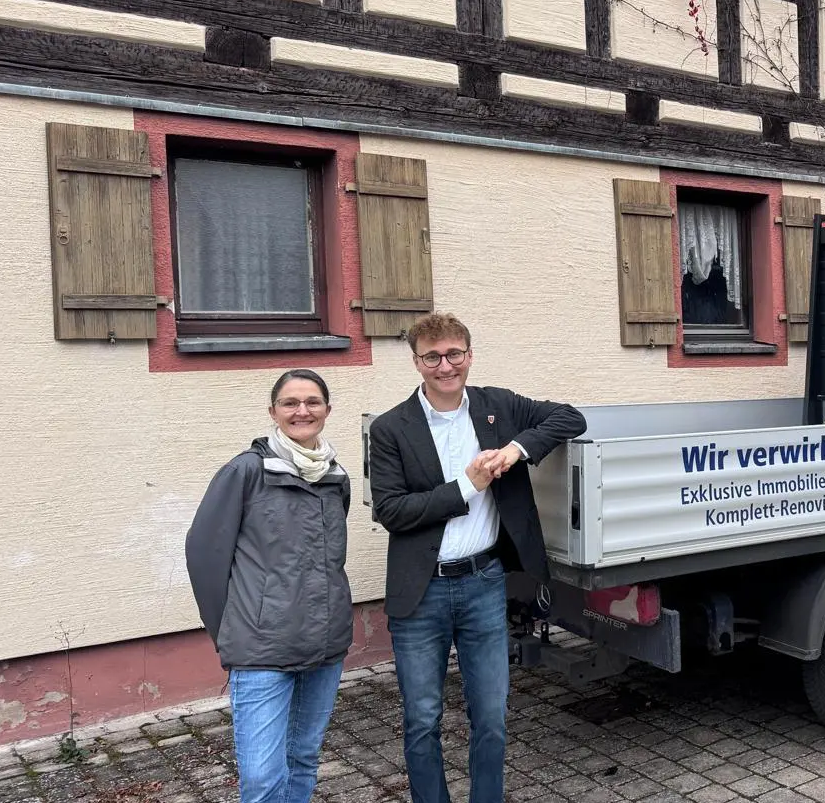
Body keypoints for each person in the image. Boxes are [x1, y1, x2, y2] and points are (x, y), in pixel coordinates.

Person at [368, 313, 586, 803]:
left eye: (454, 354)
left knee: (490, 715)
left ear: (468, 355)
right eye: (432, 356)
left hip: (484, 583)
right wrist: (470, 484)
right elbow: (391, 510)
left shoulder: (498, 407)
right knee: (422, 719)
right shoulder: (390, 429)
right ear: (416, 362)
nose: (445, 366)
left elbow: (571, 417)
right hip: (421, 591)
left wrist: (517, 448)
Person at [185, 369, 353, 803]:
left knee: (303, 760)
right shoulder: (246, 472)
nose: (302, 411)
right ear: (273, 412)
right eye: (290, 403)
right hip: (261, 649)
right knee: (261, 779)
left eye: (313, 402)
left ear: (327, 411)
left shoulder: (336, 477)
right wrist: (230, 630)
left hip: (325, 644)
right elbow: (205, 555)